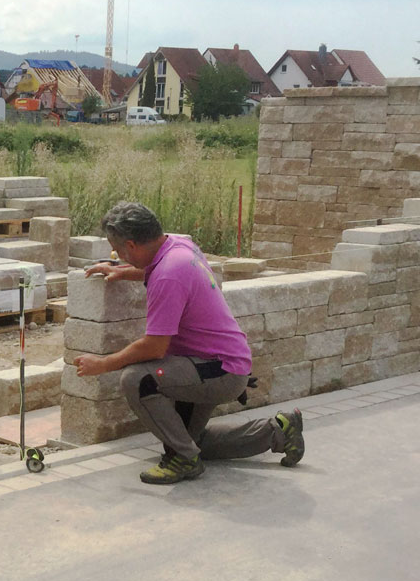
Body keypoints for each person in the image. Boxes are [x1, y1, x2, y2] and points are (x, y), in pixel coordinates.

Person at [72, 202, 305, 485]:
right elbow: (161, 271)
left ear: (131, 245)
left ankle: (184, 460)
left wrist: (103, 364)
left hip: (217, 370)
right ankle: (278, 430)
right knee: (190, 441)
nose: (117, 256)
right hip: (218, 363)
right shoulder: (179, 245)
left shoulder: (168, 274)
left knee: (137, 379)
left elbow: (155, 347)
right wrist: (125, 271)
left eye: (117, 251)